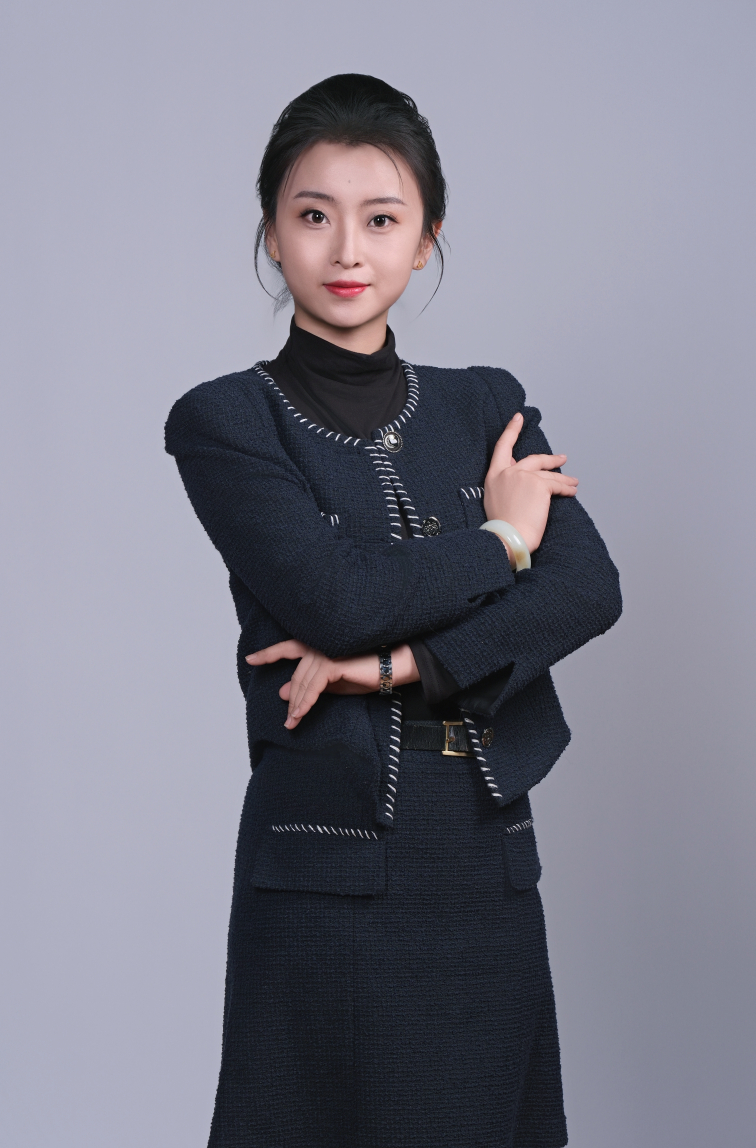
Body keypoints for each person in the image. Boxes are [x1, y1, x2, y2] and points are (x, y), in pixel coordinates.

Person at [165, 73, 622, 1148]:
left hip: (484, 865)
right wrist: (501, 539)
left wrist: (395, 666)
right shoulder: (224, 420)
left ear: (425, 241)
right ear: (271, 233)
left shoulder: (485, 403)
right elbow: (337, 598)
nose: (345, 250)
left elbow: (587, 590)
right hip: (327, 878)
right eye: (311, 215)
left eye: (380, 219)